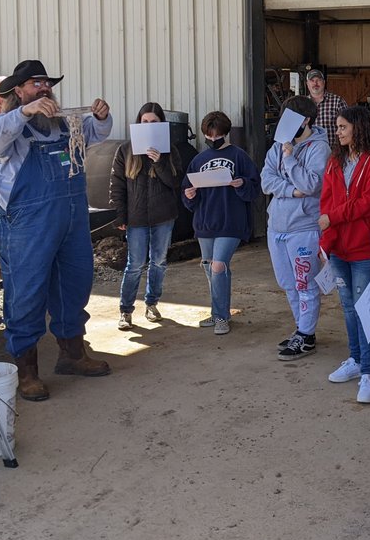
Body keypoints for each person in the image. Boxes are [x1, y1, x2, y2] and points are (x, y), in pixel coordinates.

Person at [0, 59, 113, 401]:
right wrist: (26, 113)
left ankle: (72, 354)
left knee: (74, 285)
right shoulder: (5, 127)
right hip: (27, 225)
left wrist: (101, 117)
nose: (44, 89)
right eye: (35, 84)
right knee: (26, 293)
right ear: (17, 92)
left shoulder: (62, 126)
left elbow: (94, 134)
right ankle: (25, 370)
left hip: (70, 218)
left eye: (47, 84)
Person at [320, 105, 370, 403]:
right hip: (338, 246)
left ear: (358, 128)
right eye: (337, 127)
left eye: (342, 127)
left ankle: (369, 371)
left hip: (364, 247)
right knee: (349, 307)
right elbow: (326, 199)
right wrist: (326, 238)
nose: (337, 132)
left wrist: (332, 218)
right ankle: (355, 359)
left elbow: (368, 204)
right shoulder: (335, 161)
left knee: (366, 310)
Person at [262, 94, 330, 360]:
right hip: (277, 225)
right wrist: (291, 190)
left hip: (303, 227)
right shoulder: (278, 146)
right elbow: (265, 180)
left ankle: (306, 334)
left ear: (306, 121)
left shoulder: (318, 148)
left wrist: (290, 160)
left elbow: (311, 185)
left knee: (305, 283)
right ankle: (301, 330)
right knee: (288, 283)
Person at [182, 111, 260, 335]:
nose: (213, 140)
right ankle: (218, 311)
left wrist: (242, 183)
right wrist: (189, 195)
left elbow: (255, 187)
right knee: (210, 266)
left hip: (231, 221)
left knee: (218, 265)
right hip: (206, 221)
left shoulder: (239, 156)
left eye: (217, 136)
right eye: (209, 136)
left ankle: (222, 317)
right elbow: (188, 194)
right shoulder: (198, 160)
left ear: (225, 134)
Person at [110, 102, 183, 330]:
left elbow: (176, 182)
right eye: (145, 122)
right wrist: (120, 216)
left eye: (153, 122)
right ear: (138, 123)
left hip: (163, 215)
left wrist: (159, 162)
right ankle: (126, 310)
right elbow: (117, 185)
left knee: (159, 262)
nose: (149, 125)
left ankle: (151, 304)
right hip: (136, 217)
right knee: (135, 264)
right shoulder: (125, 150)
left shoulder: (171, 149)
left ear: (161, 124)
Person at [305, 69, 347, 154]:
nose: (315, 83)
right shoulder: (302, 104)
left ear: (324, 82)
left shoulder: (337, 101)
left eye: (318, 80)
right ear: (307, 84)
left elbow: (348, 126)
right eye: (312, 81)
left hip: (334, 154)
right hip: (308, 156)